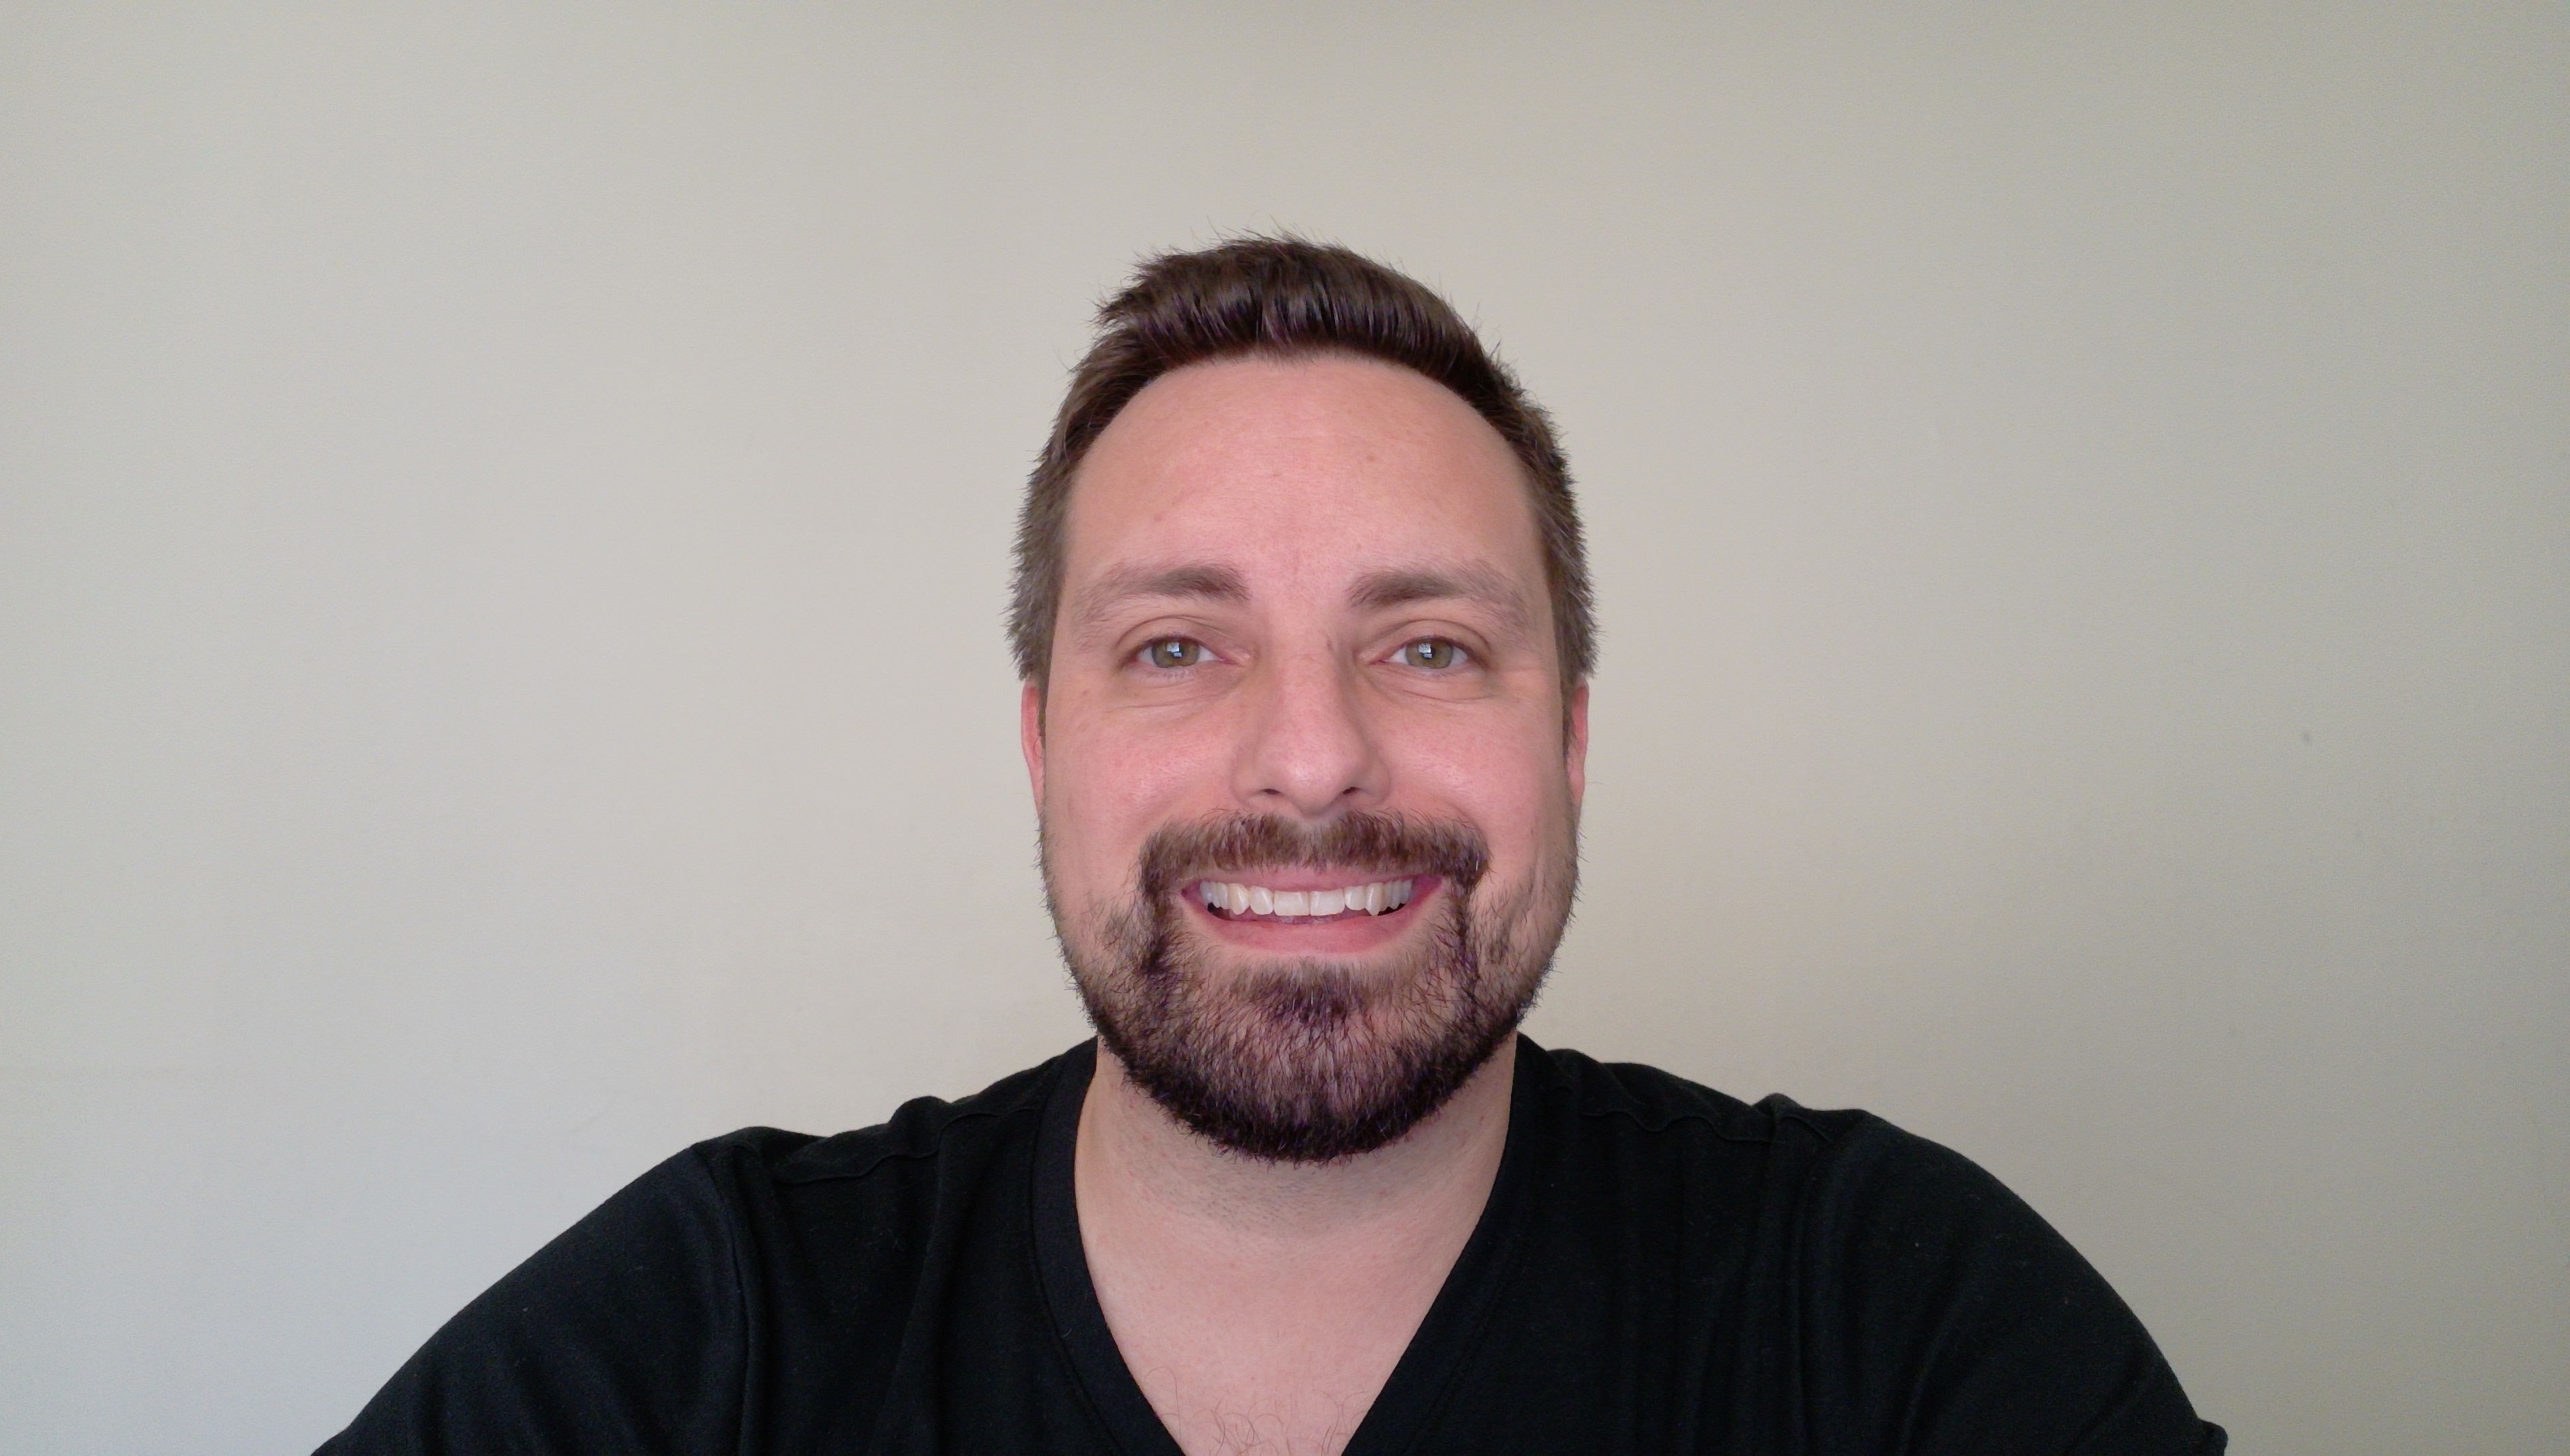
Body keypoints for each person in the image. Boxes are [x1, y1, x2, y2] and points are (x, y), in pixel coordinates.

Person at [320, 237, 2224, 1455]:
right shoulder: (712, 1338)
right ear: (1043, 747)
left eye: (1429, 646)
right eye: (1177, 647)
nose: (1311, 762)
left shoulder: (1888, 1317)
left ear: (1569, 744)